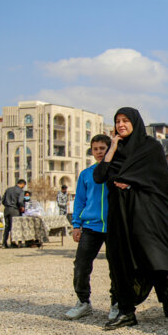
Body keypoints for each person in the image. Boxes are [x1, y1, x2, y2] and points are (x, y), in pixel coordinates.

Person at [93, 107, 168, 330]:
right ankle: (126, 312)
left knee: (148, 256)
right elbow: (99, 176)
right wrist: (112, 148)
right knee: (119, 261)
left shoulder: (150, 147)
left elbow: (158, 178)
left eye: (125, 120)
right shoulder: (116, 148)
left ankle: (164, 294)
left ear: (135, 122)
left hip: (144, 212)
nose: (121, 125)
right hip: (119, 214)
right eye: (117, 121)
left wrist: (132, 181)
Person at [65, 134, 118, 321]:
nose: (98, 152)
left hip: (113, 226)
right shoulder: (86, 174)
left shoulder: (117, 171)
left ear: (110, 149)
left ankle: (116, 303)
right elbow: (80, 200)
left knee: (116, 268)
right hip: (91, 226)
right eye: (95, 149)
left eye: (102, 148)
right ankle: (83, 302)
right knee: (81, 265)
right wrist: (76, 225)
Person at [2, 179, 26, 248]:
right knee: (15, 227)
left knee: (7, 227)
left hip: (6, 209)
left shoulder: (8, 189)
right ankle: (13, 242)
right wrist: (22, 207)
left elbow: (3, 200)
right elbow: (20, 201)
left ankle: (4, 243)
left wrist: (7, 206)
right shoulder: (20, 191)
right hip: (15, 210)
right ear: (22, 184)